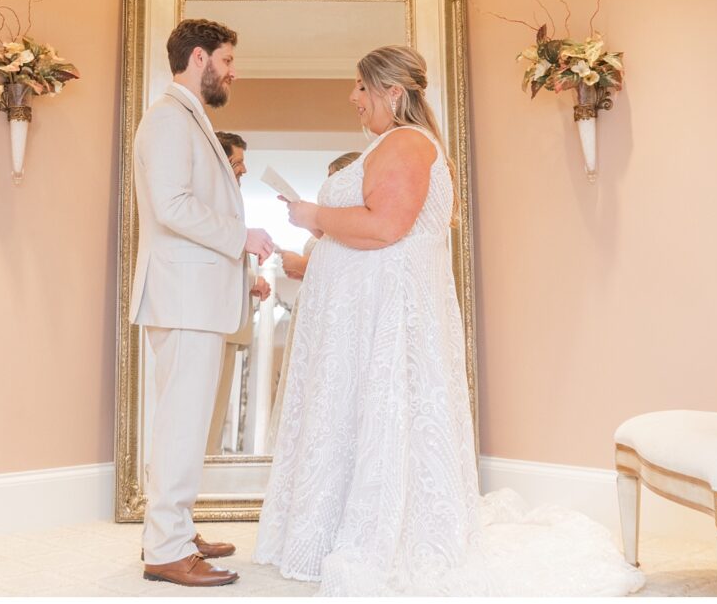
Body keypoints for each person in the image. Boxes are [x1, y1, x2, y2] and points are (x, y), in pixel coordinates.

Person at [252, 45, 645, 596]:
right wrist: (322, 229)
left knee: (387, 417)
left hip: (388, 318)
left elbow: (388, 226)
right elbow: (374, 227)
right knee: (359, 420)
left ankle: (386, 539)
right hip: (364, 316)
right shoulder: (390, 144)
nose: (352, 98)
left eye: (362, 88)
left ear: (394, 93)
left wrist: (314, 215)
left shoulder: (408, 143)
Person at [129, 18, 274, 588]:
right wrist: (241, 237)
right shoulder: (168, 120)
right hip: (183, 299)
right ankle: (165, 549)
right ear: (199, 58)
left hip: (193, 298)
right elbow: (171, 206)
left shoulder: (189, 120)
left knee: (183, 424)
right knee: (180, 427)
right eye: (228, 60)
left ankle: (175, 530)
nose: (234, 72)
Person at [265, 151, 361, 451]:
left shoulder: (360, 222)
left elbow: (350, 264)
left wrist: (303, 264)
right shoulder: (336, 224)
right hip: (314, 317)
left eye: (335, 179)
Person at [207, 131, 271, 455]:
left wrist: (250, 285)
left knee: (217, 413)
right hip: (212, 323)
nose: (244, 170)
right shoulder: (210, 204)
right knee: (207, 411)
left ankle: (208, 467)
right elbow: (212, 264)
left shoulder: (231, 201)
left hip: (229, 325)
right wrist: (249, 281)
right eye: (238, 162)